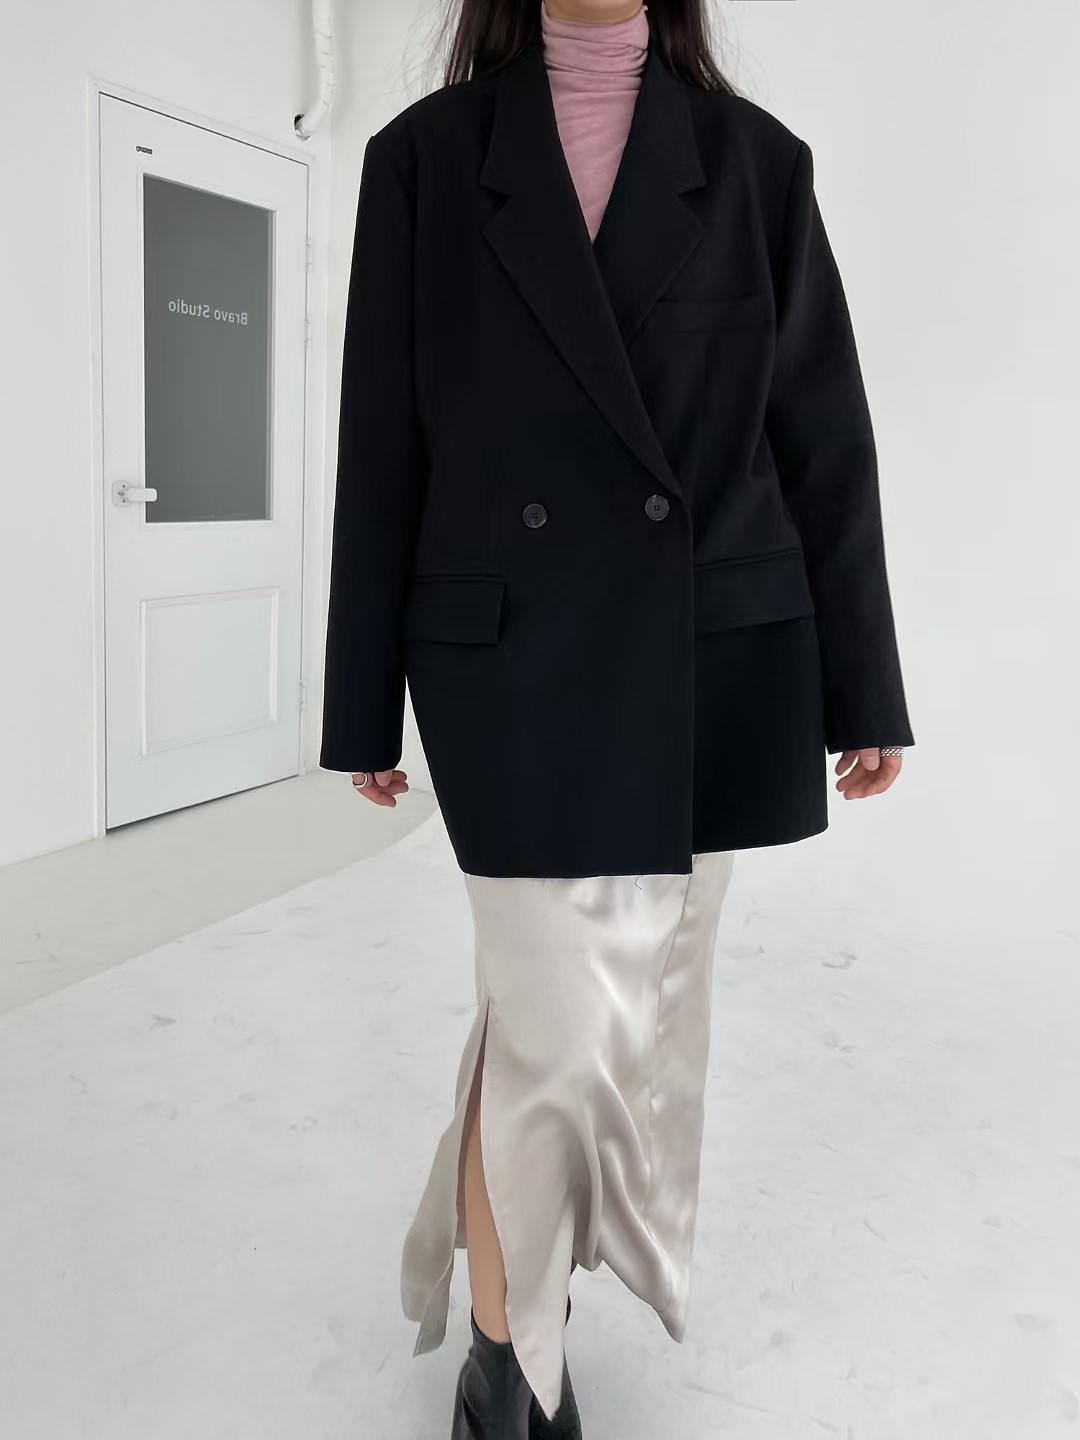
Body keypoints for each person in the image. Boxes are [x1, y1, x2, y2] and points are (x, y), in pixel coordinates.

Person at [320, 0, 915, 1434]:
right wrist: (360, 705)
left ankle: (502, 1315)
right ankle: (509, 1357)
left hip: (700, 667)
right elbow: (382, 437)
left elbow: (821, 437)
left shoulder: (758, 163)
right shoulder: (423, 159)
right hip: (506, 667)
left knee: (615, 1032)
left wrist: (865, 684)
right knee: (550, 1031)